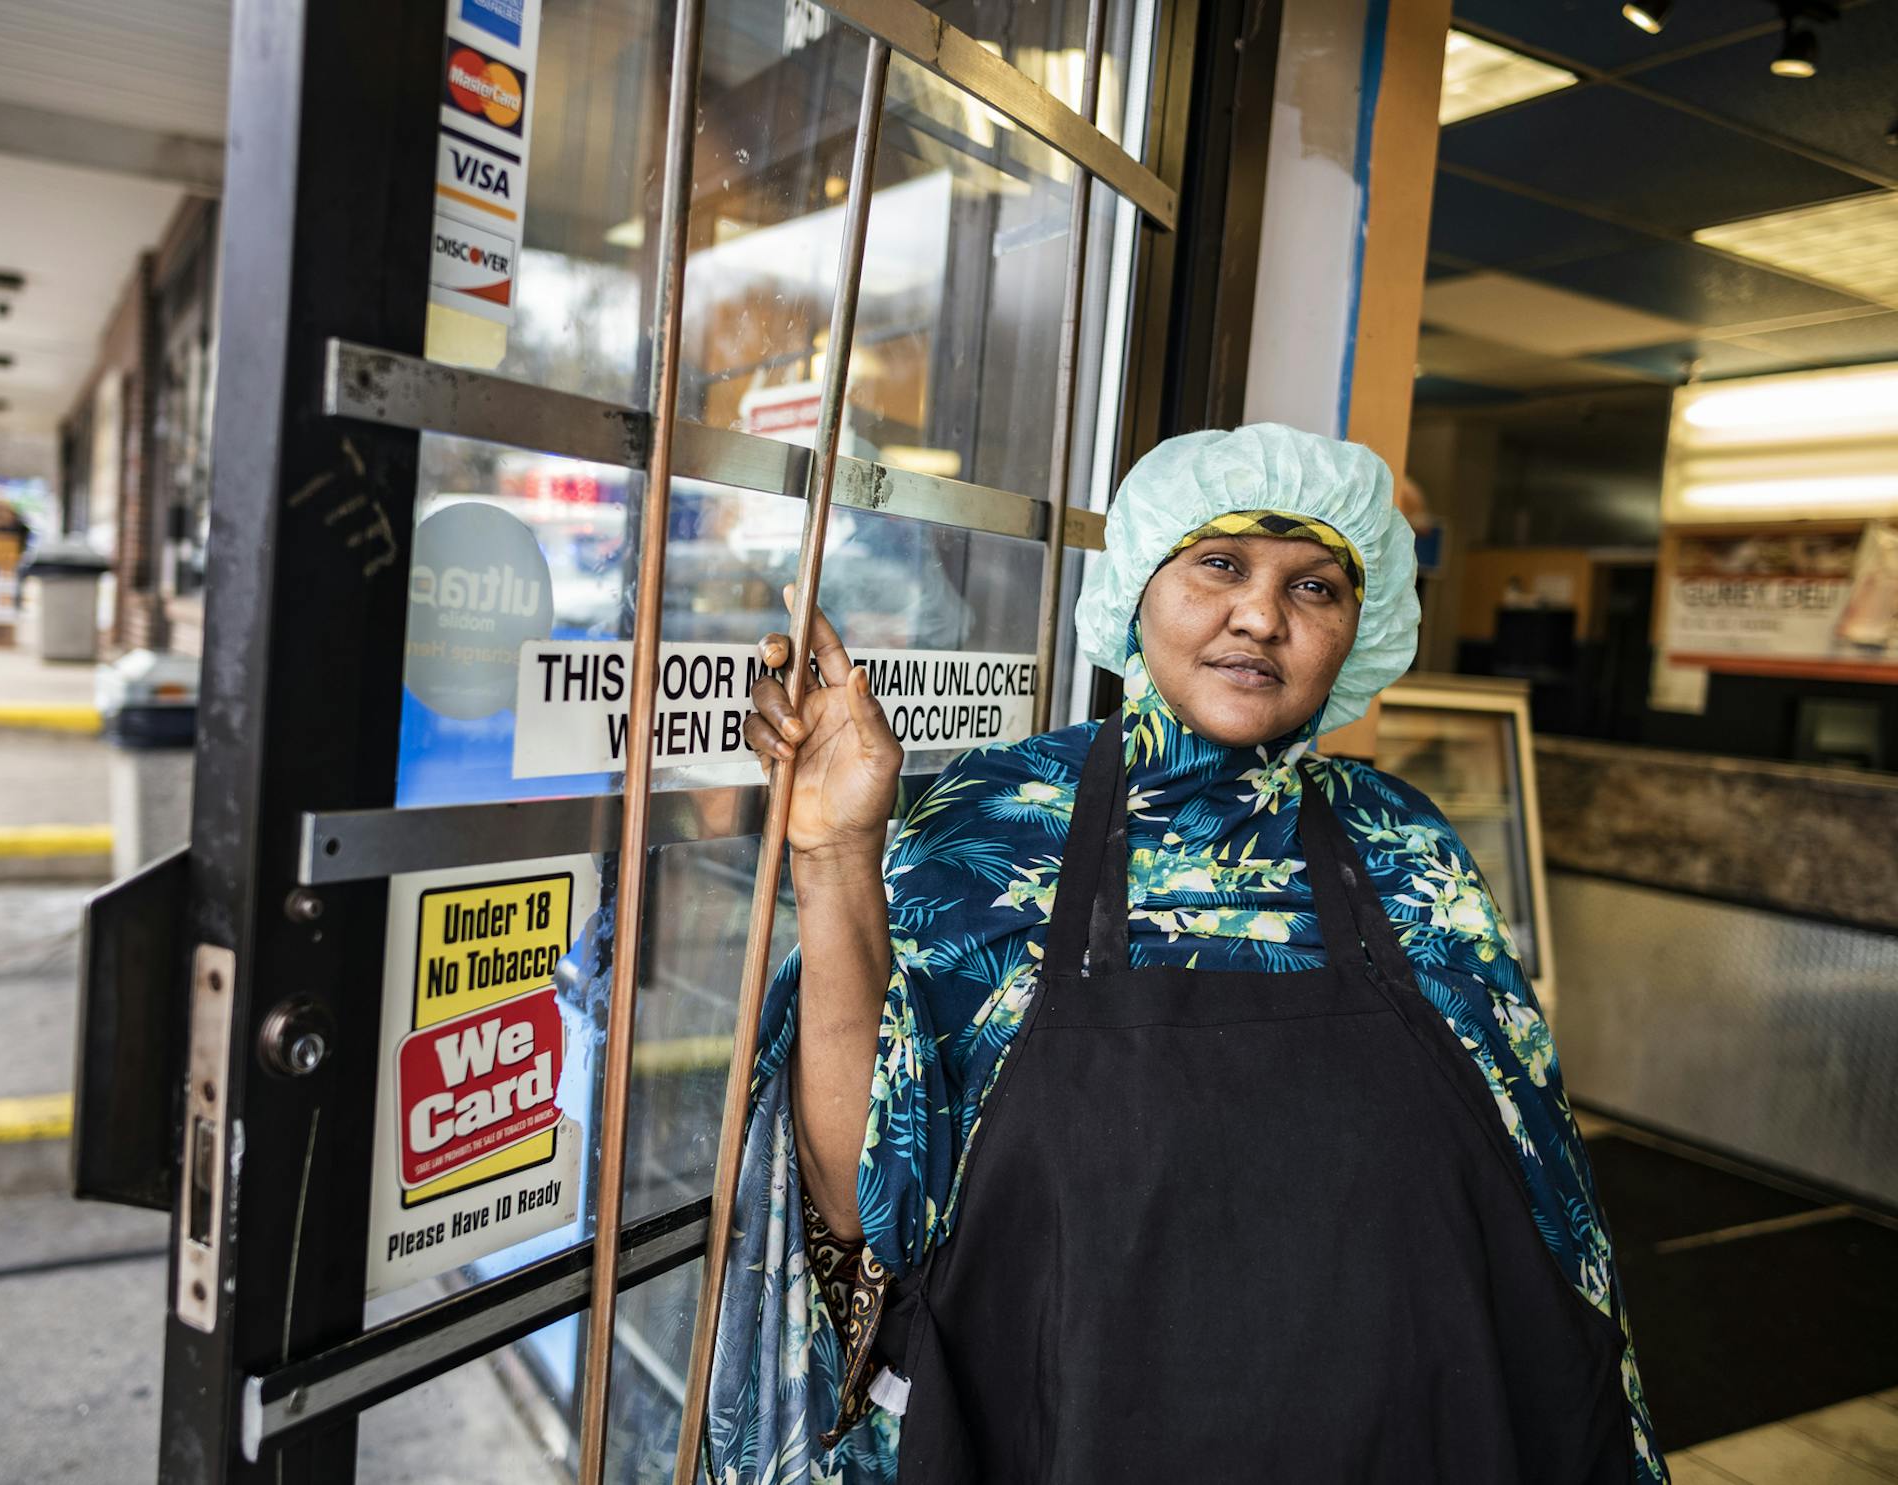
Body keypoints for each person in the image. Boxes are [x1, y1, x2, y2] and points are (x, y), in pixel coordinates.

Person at [708, 426, 1664, 1484]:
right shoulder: (995, 824)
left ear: (1361, 631)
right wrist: (836, 851)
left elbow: (1548, 1230)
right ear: (1139, 590)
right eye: (1219, 565)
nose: (1260, 616)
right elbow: (862, 1214)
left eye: (1316, 588)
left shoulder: (1409, 851)